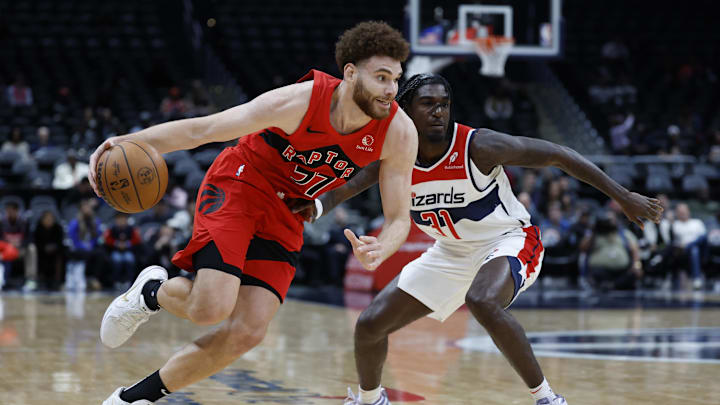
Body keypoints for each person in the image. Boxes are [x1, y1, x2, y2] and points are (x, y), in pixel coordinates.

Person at [87, 21, 418, 404]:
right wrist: (127, 141)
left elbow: (398, 218)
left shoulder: (399, 132)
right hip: (242, 183)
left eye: (395, 78)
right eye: (381, 77)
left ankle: (133, 399)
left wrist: (383, 247)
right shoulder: (298, 101)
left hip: (287, 213)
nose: (391, 89)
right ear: (349, 73)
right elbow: (204, 130)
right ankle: (152, 293)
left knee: (248, 331)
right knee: (211, 307)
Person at [292, 74, 663, 405]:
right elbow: (346, 187)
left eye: (444, 104)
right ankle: (371, 400)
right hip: (449, 253)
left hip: (507, 240)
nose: (438, 111)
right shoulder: (394, 156)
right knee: (371, 324)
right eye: (427, 104)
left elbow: (557, 155)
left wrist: (622, 195)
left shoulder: (478, 146)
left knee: (482, 300)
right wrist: (315, 209)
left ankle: (548, 398)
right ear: (404, 110)